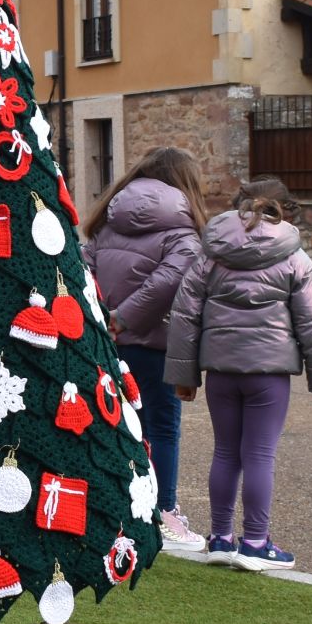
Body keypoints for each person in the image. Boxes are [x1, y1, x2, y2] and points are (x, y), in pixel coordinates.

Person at [164, 178, 312, 571]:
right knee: (259, 453)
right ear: (285, 210)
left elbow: (184, 315)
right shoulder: (295, 257)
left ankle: (221, 538)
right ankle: (256, 543)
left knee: (226, 451)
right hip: (270, 373)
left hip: (221, 372)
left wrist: (185, 374)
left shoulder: (211, 254)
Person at [83, 146, 209, 550]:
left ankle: (118, 508)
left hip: (106, 340)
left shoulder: (108, 221)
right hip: (154, 344)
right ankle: (162, 514)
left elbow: (84, 265)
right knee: (162, 428)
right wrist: (125, 317)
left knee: (114, 424)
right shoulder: (184, 231)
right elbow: (170, 279)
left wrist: (104, 317)